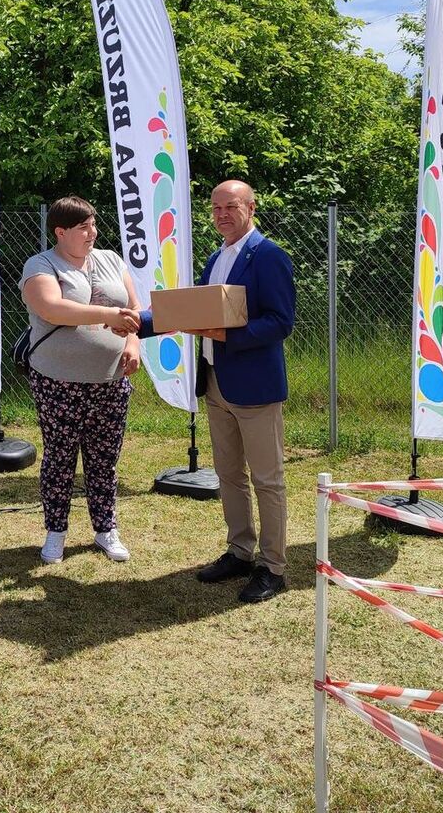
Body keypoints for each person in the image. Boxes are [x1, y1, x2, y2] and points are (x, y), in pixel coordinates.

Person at [141, 180, 296, 603]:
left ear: (251, 208)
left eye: (231, 206)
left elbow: (281, 322)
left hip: (255, 389)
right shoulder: (216, 258)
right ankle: (240, 552)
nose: (222, 214)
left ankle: (273, 567)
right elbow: (190, 310)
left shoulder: (268, 256)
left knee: (267, 480)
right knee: (229, 475)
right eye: (216, 208)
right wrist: (138, 322)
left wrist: (229, 336)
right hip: (216, 384)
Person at [20, 196, 142, 565]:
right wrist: (108, 315)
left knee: (105, 457)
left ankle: (106, 529)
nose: (93, 232)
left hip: (111, 380)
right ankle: (56, 532)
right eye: (83, 227)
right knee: (60, 458)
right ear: (60, 232)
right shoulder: (40, 265)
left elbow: (134, 310)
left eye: (93, 225)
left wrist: (133, 343)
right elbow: (53, 308)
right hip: (58, 381)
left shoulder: (111, 260)